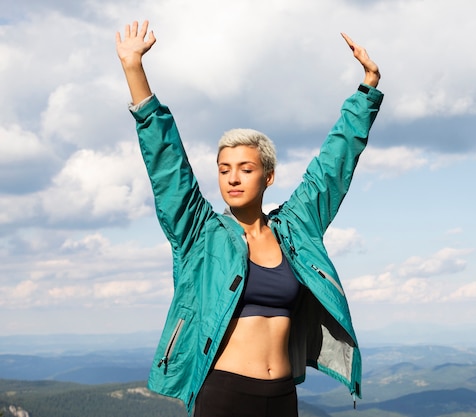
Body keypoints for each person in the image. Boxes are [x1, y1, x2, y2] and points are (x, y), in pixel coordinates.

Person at [116, 20, 383, 417]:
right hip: (224, 394)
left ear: (268, 176)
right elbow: (168, 167)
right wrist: (134, 70)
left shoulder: (295, 230)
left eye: (245, 168)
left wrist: (368, 89)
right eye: (224, 169)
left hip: (281, 397)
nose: (233, 177)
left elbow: (332, 169)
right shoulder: (201, 233)